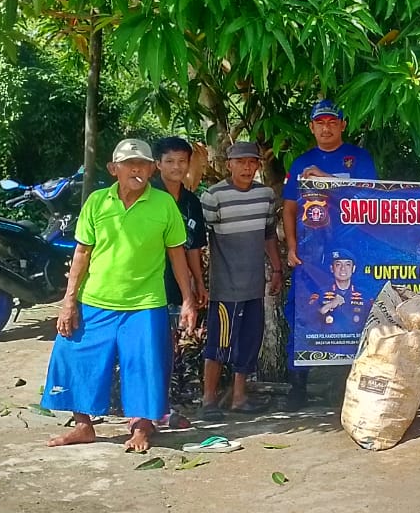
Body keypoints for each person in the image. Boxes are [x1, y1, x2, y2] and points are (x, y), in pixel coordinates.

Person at [41, 139, 196, 452]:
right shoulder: (97, 202)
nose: (135, 169)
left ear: (152, 169)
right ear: (114, 169)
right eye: (128, 164)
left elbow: (177, 254)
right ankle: (83, 426)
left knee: (145, 365)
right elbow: (82, 252)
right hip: (95, 299)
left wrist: (189, 299)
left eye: (142, 164)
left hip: (145, 304)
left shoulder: (164, 205)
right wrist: (69, 300)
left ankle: (142, 428)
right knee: (73, 356)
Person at [281, 98, 378, 410]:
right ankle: (297, 387)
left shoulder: (358, 159)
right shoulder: (300, 163)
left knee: (355, 312)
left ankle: (345, 385)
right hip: (313, 253)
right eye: (320, 123)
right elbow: (290, 207)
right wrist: (292, 247)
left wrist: (324, 177)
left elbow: (368, 197)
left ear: (342, 125)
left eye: (332, 122)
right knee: (303, 311)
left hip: (353, 250)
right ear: (311, 127)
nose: (326, 128)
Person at [198, 142, 283, 421]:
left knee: (249, 340)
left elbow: (269, 234)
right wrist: (198, 283)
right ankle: (208, 399)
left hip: (254, 285)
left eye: (252, 162)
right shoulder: (213, 197)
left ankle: (238, 397)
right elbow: (198, 243)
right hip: (225, 287)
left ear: (258, 165)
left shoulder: (265, 196)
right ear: (229, 165)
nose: (247, 167)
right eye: (241, 162)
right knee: (219, 342)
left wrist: (277, 269)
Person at [151, 137, 208, 423]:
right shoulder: (148, 197)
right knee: (154, 346)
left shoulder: (191, 202)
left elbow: (194, 248)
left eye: (182, 161)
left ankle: (163, 407)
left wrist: (198, 283)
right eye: (169, 161)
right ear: (157, 164)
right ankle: (152, 408)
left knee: (172, 346)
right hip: (148, 284)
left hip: (179, 285)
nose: (176, 167)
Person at [307, 249, 371, 336]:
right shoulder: (320, 293)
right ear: (332, 268)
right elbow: (307, 317)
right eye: (338, 264)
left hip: (356, 345)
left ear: (353, 268)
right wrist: (329, 305)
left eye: (348, 264)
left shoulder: (365, 295)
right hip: (325, 346)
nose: (343, 268)